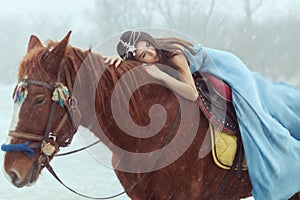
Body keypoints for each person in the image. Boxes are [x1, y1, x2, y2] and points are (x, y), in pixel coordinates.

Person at [104, 30, 300, 199]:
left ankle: (286, 156)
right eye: (144, 54)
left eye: (147, 45)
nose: (151, 51)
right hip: (202, 75)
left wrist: (161, 75)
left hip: (227, 70)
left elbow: (191, 93)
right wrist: (118, 62)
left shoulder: (174, 54)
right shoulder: (149, 61)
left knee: (252, 116)